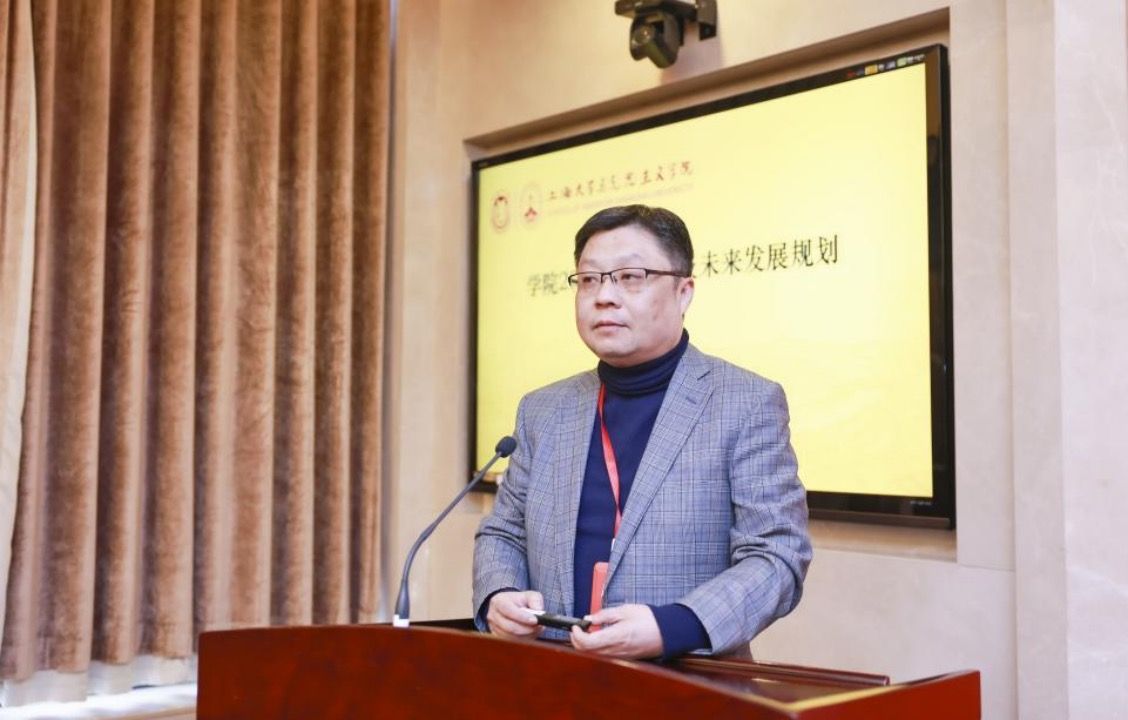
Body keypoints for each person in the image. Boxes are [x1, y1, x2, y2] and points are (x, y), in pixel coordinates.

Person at [472, 204, 811, 660]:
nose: (604, 296)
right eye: (589, 279)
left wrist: (673, 626)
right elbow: (504, 533)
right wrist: (500, 594)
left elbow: (777, 555)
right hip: (552, 677)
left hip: (684, 681)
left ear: (684, 292)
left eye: (630, 277)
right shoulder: (543, 410)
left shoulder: (745, 402)